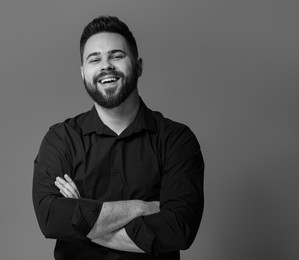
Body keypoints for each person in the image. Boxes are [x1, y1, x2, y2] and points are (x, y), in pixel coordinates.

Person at [32, 15, 204, 260]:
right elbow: (51, 219)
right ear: (83, 73)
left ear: (139, 65)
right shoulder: (61, 140)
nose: (106, 66)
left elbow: (178, 229)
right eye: (95, 59)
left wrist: (83, 216)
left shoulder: (176, 140)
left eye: (117, 55)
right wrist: (142, 208)